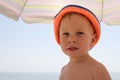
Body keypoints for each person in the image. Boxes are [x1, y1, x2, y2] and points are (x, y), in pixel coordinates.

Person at [54, 5, 111, 80]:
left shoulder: (97, 69)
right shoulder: (64, 70)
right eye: (66, 34)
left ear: (92, 40)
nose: (71, 39)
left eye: (80, 33)